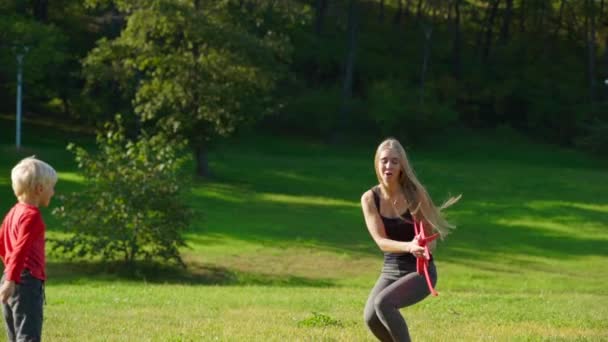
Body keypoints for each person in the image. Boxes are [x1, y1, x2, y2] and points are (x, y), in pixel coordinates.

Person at [362, 138, 459, 342]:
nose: (388, 166)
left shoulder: (415, 195)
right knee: (371, 317)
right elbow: (381, 241)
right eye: (384, 160)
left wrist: (424, 246)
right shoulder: (370, 198)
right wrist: (409, 246)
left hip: (420, 271)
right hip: (391, 269)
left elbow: (430, 239)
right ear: (377, 163)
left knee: (383, 303)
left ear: (401, 167)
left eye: (394, 161)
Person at [0, 156, 57, 342]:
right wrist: (12, 279)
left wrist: (8, 273)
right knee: (28, 336)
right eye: (52, 187)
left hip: (11, 278)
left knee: (14, 336)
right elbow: (20, 249)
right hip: (25, 282)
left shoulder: (14, 211)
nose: (53, 192)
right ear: (40, 189)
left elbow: (2, 243)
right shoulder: (32, 216)